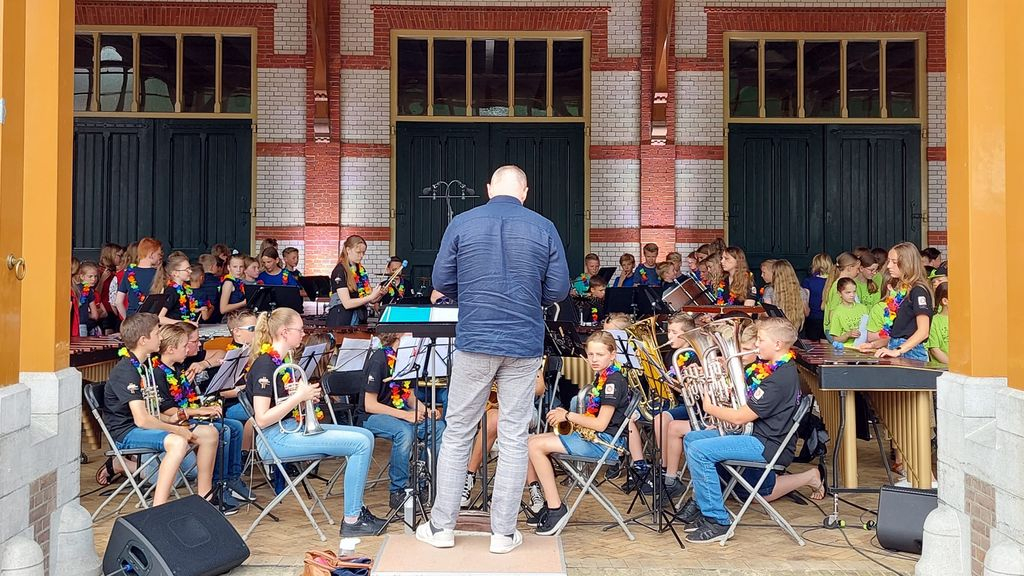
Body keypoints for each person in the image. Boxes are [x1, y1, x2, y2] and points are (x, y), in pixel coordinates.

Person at [416, 165, 569, 554]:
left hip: (475, 339)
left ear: (488, 189)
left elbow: (442, 282)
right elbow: (558, 288)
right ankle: (503, 533)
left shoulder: (463, 223)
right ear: (526, 192)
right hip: (523, 342)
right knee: (516, 437)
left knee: (457, 433)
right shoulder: (544, 226)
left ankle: (442, 527)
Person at [677, 318, 825, 543]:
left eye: (760, 340)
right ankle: (702, 503)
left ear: (777, 344)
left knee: (699, 450)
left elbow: (740, 417)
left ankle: (718, 521)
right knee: (692, 438)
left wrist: (709, 407)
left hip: (766, 444)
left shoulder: (779, 378)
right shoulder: (771, 369)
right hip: (754, 435)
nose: (757, 345)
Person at [244, 308, 385, 535]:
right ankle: (352, 518)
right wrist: (299, 397)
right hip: (275, 439)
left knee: (365, 436)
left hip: (290, 428)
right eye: (300, 330)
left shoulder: (282, 361)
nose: (303, 334)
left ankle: (357, 510)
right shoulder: (265, 364)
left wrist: (299, 396)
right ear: (284, 332)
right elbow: (261, 419)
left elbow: (280, 405)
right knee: (360, 443)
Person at [100, 313, 220, 507]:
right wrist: (176, 429)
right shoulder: (127, 370)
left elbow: (150, 411)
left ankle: (205, 497)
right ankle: (159, 507)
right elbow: (141, 420)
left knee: (209, 433)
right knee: (178, 442)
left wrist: (170, 419)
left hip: (143, 425)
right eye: (157, 333)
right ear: (143, 340)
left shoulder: (142, 366)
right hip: (126, 431)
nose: (161, 337)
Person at [524, 331, 630, 535]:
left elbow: (600, 424)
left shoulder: (613, 382)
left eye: (600, 354)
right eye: (591, 354)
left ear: (613, 354)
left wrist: (567, 415)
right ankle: (545, 501)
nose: (594, 359)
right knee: (530, 441)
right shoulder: (604, 377)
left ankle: (556, 508)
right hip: (595, 438)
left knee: (534, 445)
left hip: (605, 443)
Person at [151, 324, 251, 513]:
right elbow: (169, 410)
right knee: (223, 429)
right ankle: (214, 486)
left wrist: (203, 407)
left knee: (234, 426)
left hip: (186, 416)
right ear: (171, 349)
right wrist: (201, 411)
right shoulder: (158, 373)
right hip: (174, 422)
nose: (188, 350)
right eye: (184, 346)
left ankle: (229, 480)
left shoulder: (177, 367)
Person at [358, 332, 446, 509]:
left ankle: (420, 483)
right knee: (404, 432)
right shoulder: (380, 358)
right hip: (372, 416)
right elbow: (369, 405)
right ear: (397, 334)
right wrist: (406, 415)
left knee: (437, 427)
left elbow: (410, 396)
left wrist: (426, 411)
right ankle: (398, 489)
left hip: (400, 411)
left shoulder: (409, 360)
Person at [461, 367, 547, 508]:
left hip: (521, 407)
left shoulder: (526, 353)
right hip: (493, 407)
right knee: (494, 420)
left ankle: (534, 487)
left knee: (516, 423)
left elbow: (540, 388)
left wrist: (512, 387)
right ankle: (469, 477)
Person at [856, 242, 933, 361]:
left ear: (907, 263)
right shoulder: (903, 289)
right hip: (898, 347)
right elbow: (899, 331)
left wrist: (898, 351)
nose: (888, 266)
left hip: (911, 353)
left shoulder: (918, 291)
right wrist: (873, 345)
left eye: (894, 262)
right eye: (889, 261)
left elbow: (923, 332)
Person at [328, 235, 384, 326]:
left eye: (363, 252)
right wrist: (370, 297)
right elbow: (347, 303)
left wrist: (379, 294)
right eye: (358, 252)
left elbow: (370, 300)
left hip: (359, 317)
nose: (361, 256)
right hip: (342, 319)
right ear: (348, 250)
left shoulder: (361, 270)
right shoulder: (340, 271)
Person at [115, 237, 163, 319]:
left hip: (132, 318)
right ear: (151, 255)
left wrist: (126, 319)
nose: (160, 257)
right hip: (150, 319)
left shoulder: (129, 273)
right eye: (159, 254)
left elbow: (118, 302)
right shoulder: (159, 274)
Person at [157, 255, 208, 325]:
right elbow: (160, 318)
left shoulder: (184, 288)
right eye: (187, 269)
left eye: (190, 268)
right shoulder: (171, 291)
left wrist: (198, 310)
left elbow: (178, 310)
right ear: (175, 273)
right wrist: (184, 323)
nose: (190, 271)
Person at [822, 252, 861, 339]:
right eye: (857, 268)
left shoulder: (845, 284)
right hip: (837, 332)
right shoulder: (838, 286)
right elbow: (833, 313)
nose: (859, 271)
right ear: (849, 268)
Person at [770, 260, 809, 333]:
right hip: (796, 329)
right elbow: (806, 312)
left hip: (776, 330)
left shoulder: (770, 290)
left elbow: (768, 313)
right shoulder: (800, 291)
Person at [801, 253, 832, 341]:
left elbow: (805, 300)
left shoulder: (808, 281)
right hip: (828, 317)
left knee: (812, 344)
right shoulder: (833, 282)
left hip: (812, 317)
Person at [829, 278, 869, 346]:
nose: (852, 295)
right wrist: (848, 334)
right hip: (847, 349)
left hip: (864, 347)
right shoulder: (837, 312)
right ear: (839, 293)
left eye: (854, 291)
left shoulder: (863, 308)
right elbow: (835, 339)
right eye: (848, 292)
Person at [927, 281, 949, 363]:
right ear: (945, 301)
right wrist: (954, 366)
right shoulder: (934, 321)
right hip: (943, 370)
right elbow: (934, 350)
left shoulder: (963, 319)